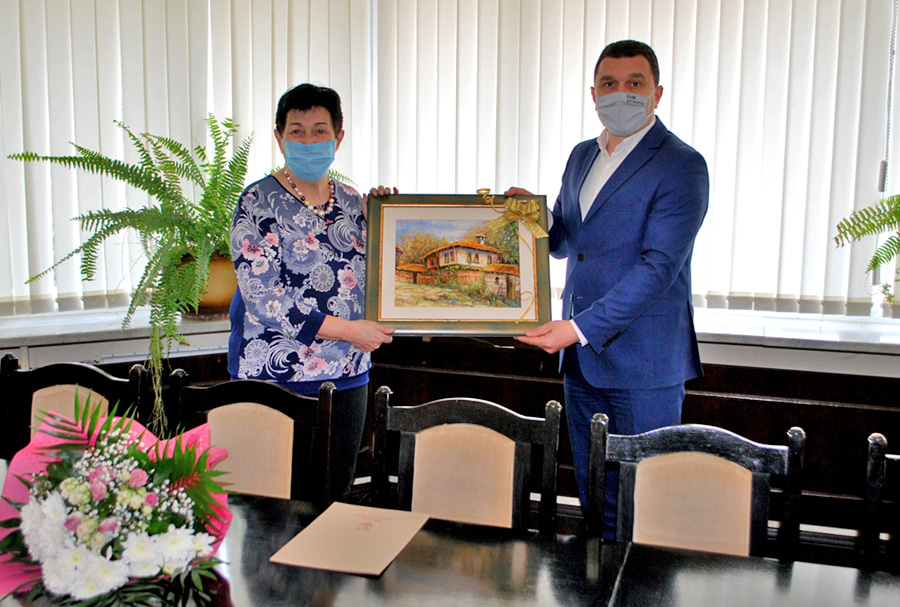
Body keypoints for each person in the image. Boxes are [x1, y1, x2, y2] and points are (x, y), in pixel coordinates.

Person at [506, 40, 709, 536]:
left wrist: (576, 329)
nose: (622, 93)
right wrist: (531, 217)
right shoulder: (582, 156)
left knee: (646, 507)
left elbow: (658, 268)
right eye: (610, 84)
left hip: (644, 363)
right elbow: (566, 243)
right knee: (595, 495)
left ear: (657, 93)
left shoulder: (681, 164)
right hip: (582, 362)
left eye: (635, 83)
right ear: (593, 94)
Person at [229, 83, 395, 501]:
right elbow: (264, 299)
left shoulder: (354, 203)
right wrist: (349, 331)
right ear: (279, 137)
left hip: (346, 376)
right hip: (276, 377)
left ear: (338, 138)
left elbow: (383, 278)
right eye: (297, 131)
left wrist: (388, 220)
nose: (308, 141)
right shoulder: (257, 202)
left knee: (333, 500)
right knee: (270, 507)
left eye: (319, 130)